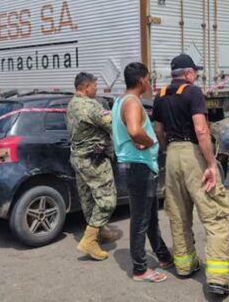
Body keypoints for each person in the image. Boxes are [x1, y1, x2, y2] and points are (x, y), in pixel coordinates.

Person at [152, 54, 229, 296]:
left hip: (172, 155)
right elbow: (201, 129)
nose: (196, 75)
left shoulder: (160, 95)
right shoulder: (193, 92)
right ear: (187, 73)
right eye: (195, 72)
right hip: (192, 154)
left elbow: (158, 130)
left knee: (178, 213)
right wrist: (210, 163)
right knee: (214, 215)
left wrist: (169, 150)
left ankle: (185, 266)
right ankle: (217, 279)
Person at [111, 62, 172, 283]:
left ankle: (163, 255)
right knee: (140, 219)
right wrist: (149, 141)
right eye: (148, 78)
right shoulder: (132, 103)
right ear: (141, 80)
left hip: (137, 166)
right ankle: (140, 269)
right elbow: (135, 130)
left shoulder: (120, 100)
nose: (150, 82)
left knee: (150, 216)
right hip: (138, 166)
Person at [67, 72, 118, 261]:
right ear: (86, 87)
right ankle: (89, 240)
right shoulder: (89, 105)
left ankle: (99, 233)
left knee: (88, 198)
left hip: (79, 158)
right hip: (93, 160)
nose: (96, 89)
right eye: (95, 86)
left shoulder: (72, 103)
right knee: (107, 200)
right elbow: (110, 124)